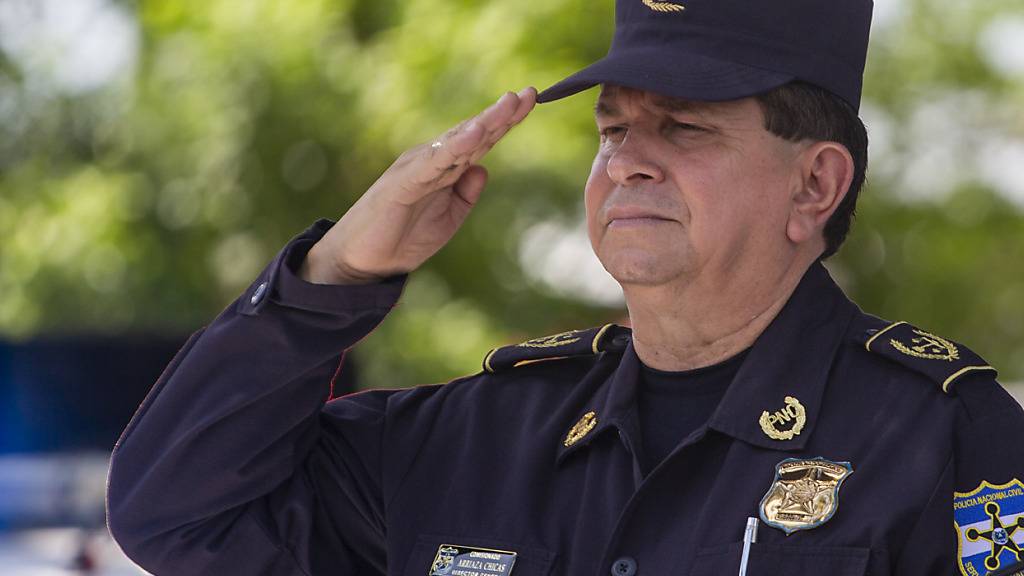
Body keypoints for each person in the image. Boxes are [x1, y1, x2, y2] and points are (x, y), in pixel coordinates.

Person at [106, 0, 1024, 574]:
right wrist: (337, 273)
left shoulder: (950, 437)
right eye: (612, 127)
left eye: (685, 128)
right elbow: (179, 517)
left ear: (814, 185)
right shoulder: (480, 437)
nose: (626, 162)